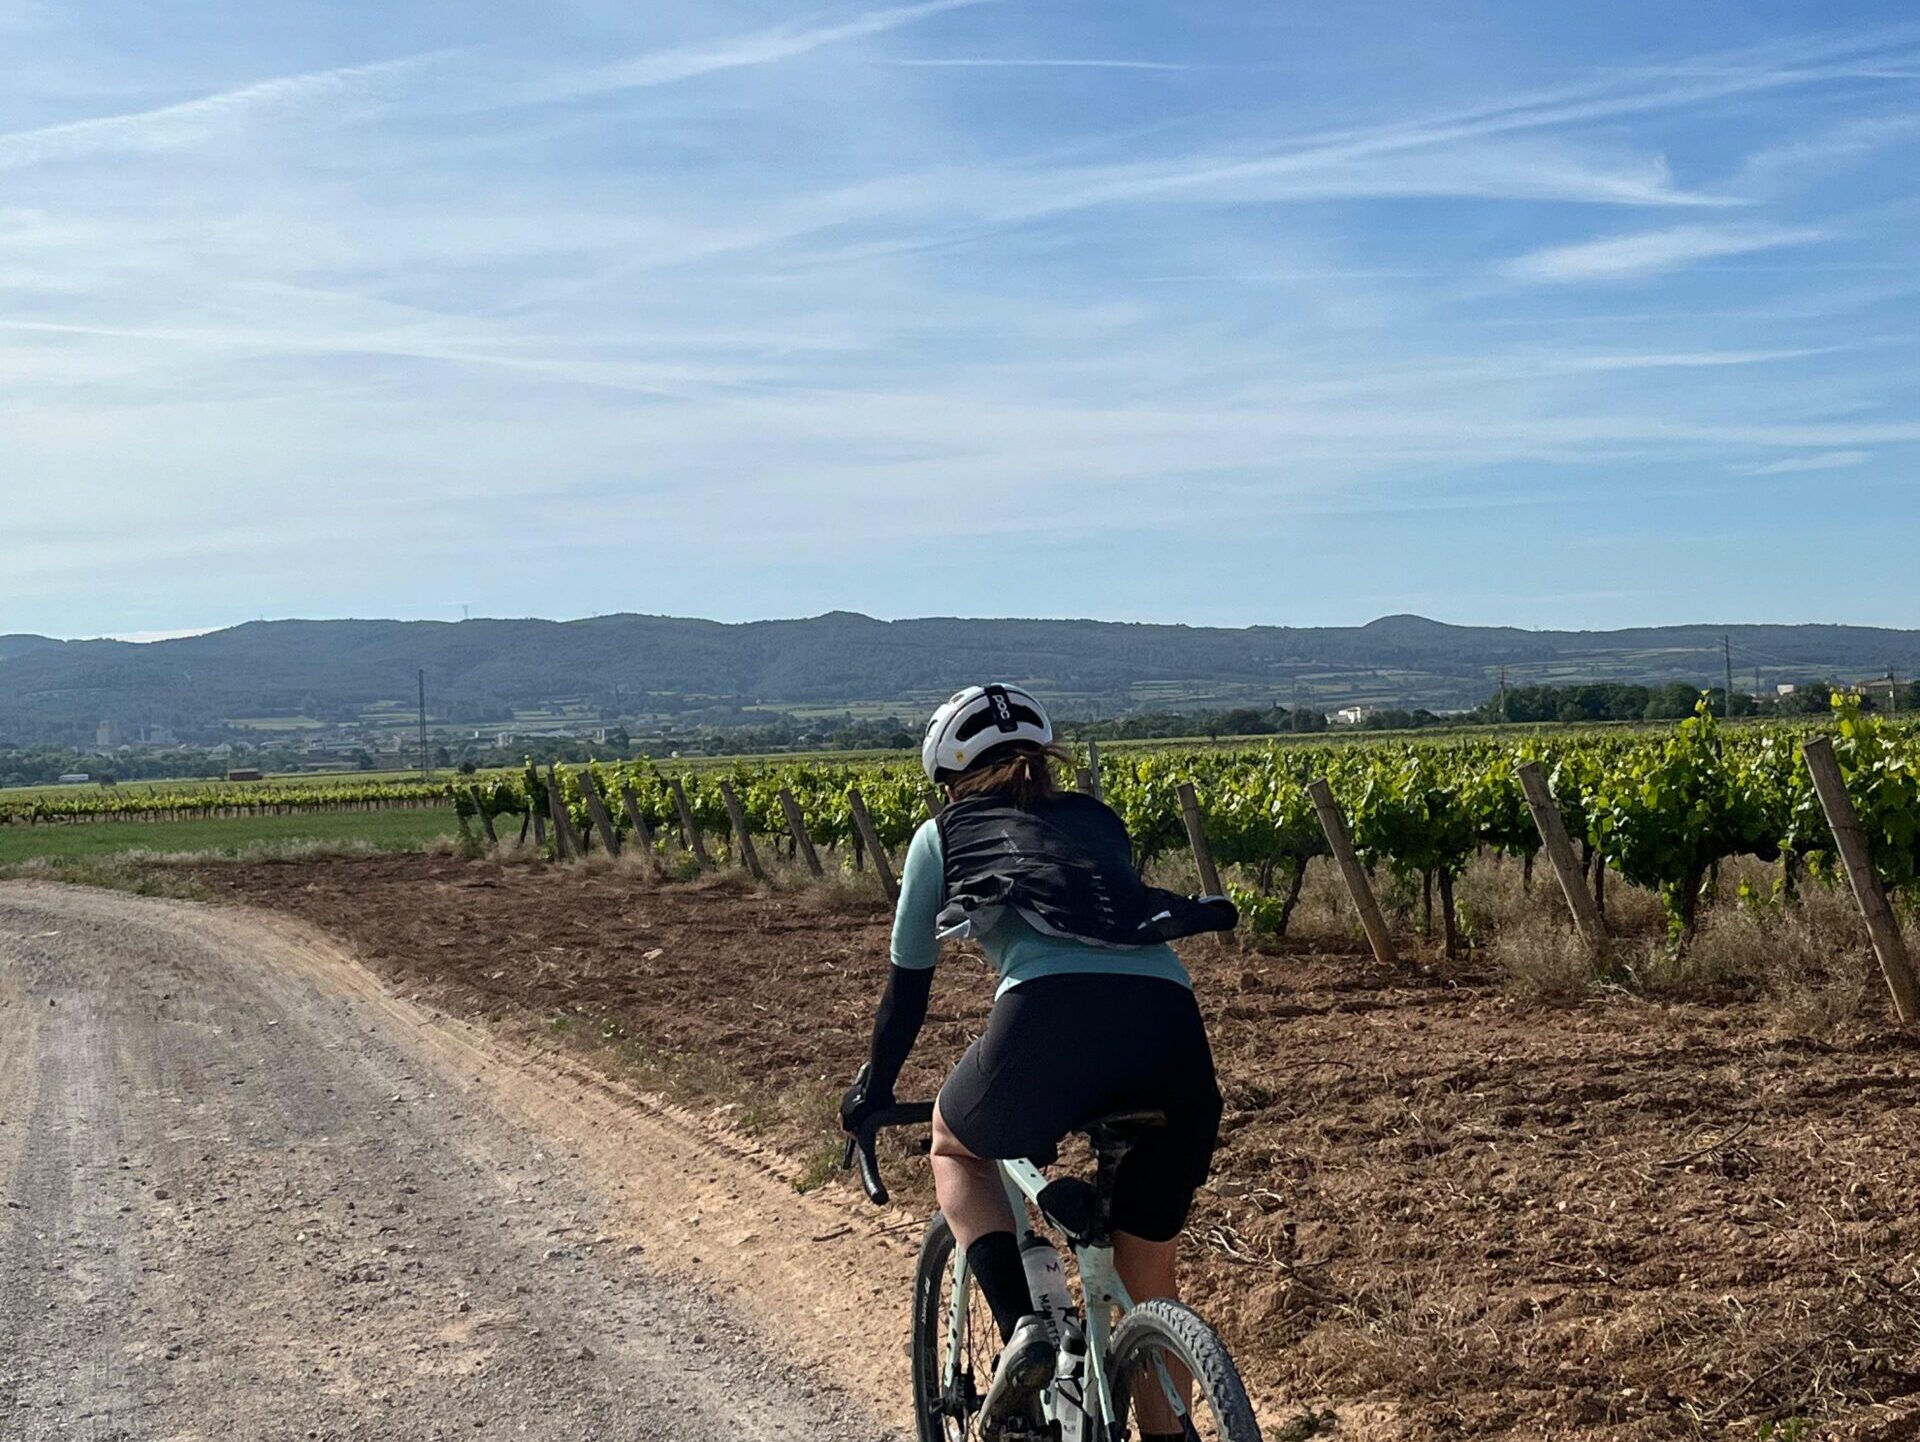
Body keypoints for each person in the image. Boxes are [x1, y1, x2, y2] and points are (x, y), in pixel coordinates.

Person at [840, 684, 1229, 1440]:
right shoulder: (1096, 820)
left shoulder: (942, 835)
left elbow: (906, 994)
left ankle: (1025, 1329)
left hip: (1047, 1023)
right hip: (1173, 1034)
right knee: (1149, 1278)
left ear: (948, 778)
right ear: (1044, 762)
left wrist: (874, 1088)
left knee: (956, 1143)